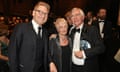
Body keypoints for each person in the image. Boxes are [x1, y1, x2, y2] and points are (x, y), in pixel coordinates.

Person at [8, 1, 50, 72]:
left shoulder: (45, 32)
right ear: (33, 13)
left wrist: (51, 63)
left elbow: (45, 52)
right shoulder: (21, 28)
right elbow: (12, 53)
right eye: (39, 11)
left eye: (45, 13)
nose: (42, 15)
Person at [69, 7, 105, 72]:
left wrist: (84, 53)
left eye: (77, 15)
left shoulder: (92, 29)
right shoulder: (71, 31)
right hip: (73, 67)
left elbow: (101, 47)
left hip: (88, 68)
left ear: (83, 17)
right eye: (72, 16)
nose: (75, 18)